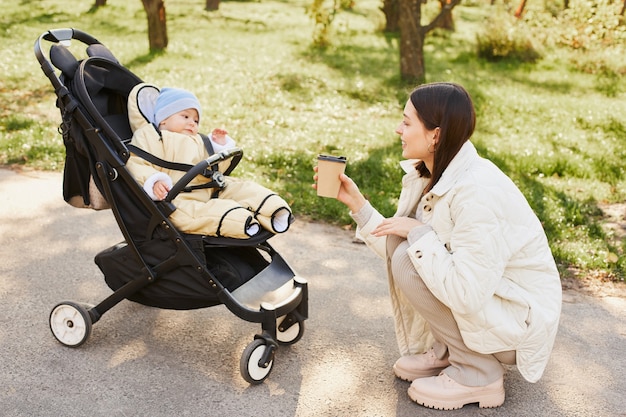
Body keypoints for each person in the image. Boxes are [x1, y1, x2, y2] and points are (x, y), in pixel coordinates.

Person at [313, 82, 562, 410]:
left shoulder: (477, 193)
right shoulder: (434, 174)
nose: (398, 129)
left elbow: (466, 291)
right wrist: (358, 205)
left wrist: (418, 232)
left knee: (411, 255)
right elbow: (398, 248)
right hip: (495, 304)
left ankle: (479, 372)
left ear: (436, 135)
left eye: (406, 122)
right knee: (408, 254)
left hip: (519, 324)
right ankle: (451, 353)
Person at [126, 85, 292, 239]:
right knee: (201, 214)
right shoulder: (151, 136)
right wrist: (154, 181)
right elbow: (136, 163)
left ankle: (273, 209)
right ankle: (243, 222)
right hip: (177, 198)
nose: (192, 122)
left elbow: (217, 169)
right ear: (163, 119)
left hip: (208, 187)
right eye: (185, 116)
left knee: (240, 187)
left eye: (196, 120)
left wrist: (219, 147)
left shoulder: (199, 140)